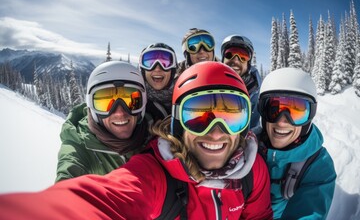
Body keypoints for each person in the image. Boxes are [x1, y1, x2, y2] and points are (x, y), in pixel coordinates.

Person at [0, 62, 273, 219]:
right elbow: (101, 199)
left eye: (231, 116)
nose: (216, 132)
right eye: (198, 115)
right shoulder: (155, 172)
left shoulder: (251, 170)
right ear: (177, 120)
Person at [257, 67, 336, 219]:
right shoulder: (246, 148)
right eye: (274, 110)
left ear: (309, 118)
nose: (282, 122)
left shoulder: (318, 165)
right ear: (263, 112)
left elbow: (309, 213)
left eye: (295, 112)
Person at [56, 61, 152, 182]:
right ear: (91, 107)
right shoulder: (79, 147)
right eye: (105, 103)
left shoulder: (154, 136)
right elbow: (68, 178)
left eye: (130, 101)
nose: (120, 113)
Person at [221, 35, 262, 134]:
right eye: (229, 54)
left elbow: (255, 127)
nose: (235, 60)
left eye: (243, 56)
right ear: (222, 58)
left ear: (248, 63)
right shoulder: (208, 83)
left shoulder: (255, 91)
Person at [139, 43, 178, 121]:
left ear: (172, 70)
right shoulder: (137, 102)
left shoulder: (184, 97)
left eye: (165, 63)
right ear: (143, 70)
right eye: (150, 63)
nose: (157, 69)